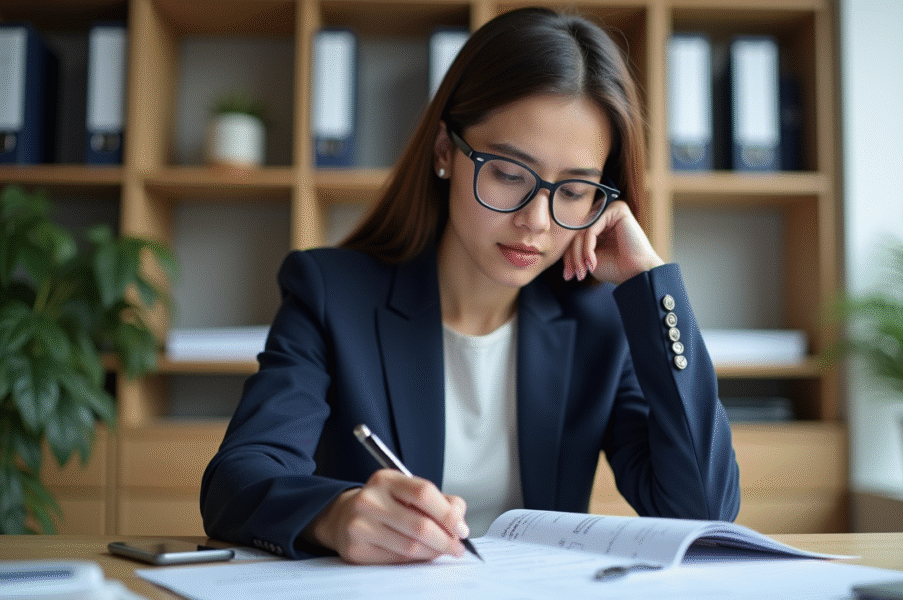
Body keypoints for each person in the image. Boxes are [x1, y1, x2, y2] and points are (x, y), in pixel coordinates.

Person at [200, 6, 740, 564]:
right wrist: (333, 515)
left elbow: (701, 511)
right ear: (444, 152)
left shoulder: (599, 321)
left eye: (575, 190)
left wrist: (651, 288)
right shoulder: (330, 294)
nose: (537, 220)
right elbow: (237, 481)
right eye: (509, 173)